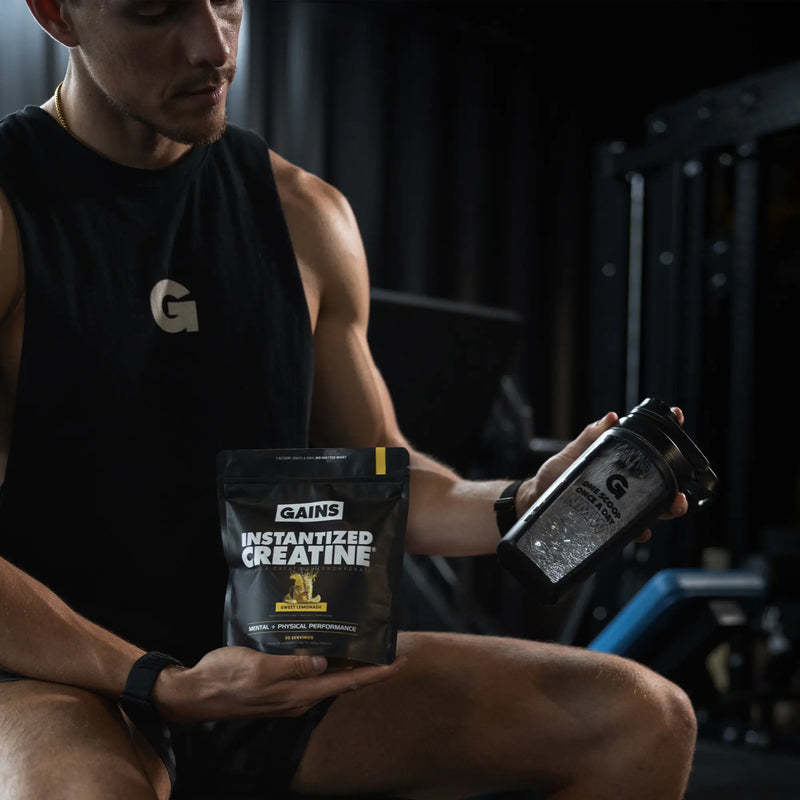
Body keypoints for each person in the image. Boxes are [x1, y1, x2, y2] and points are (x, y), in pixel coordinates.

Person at [0, 1, 697, 799]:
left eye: (227, 1)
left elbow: (384, 474)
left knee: (641, 716)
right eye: (157, 11)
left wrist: (522, 501)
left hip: (276, 670)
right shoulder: (9, 212)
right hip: (65, 678)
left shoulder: (304, 217)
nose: (213, 46)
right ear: (57, 15)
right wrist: (154, 681)